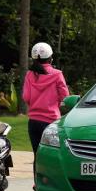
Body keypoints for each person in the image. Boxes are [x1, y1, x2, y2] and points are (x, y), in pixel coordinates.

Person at [23, 42, 69, 179]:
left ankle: (38, 186)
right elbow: (65, 97)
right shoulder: (57, 74)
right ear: (50, 59)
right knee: (52, 156)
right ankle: (51, 187)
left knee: (37, 155)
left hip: (34, 122)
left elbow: (26, 97)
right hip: (51, 122)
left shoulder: (30, 75)